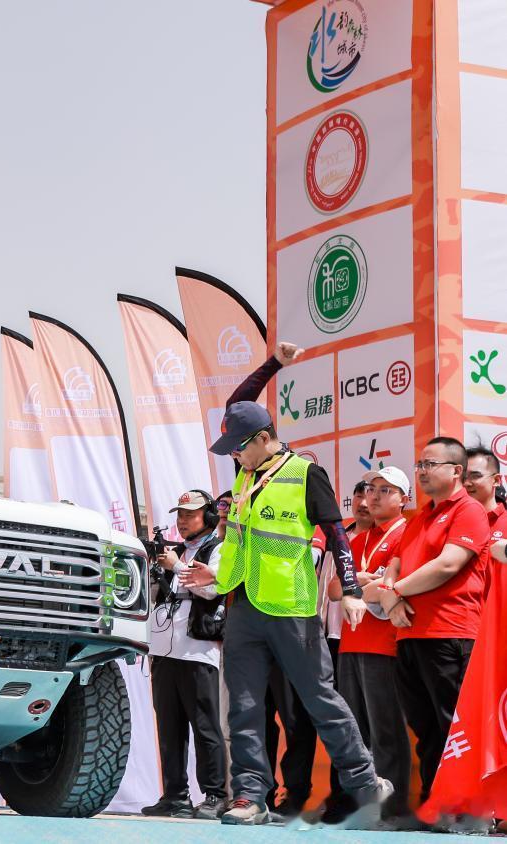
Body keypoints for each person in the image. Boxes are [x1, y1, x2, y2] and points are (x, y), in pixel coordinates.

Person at [188, 341, 390, 826]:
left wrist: (353, 591)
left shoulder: (305, 474)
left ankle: (365, 783)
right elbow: (237, 403)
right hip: (242, 606)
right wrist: (274, 364)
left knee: (320, 700)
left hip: (292, 610)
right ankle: (249, 796)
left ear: (263, 438)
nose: (235, 455)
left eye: (241, 446)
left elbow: (337, 534)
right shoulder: (245, 472)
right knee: (244, 708)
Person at [376, 437, 490, 803]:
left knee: (454, 726)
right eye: (420, 465)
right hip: (410, 636)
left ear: (456, 471)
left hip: (449, 632)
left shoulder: (468, 510)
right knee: (425, 728)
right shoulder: (420, 517)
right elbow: (394, 563)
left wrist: (395, 592)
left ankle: (467, 807)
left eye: (430, 464)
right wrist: (391, 595)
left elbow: (448, 564)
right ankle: (434, 802)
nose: (422, 471)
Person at [141, 490, 229, 820]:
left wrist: (176, 566)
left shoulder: (219, 549)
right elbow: (155, 596)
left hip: (198, 650)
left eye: (190, 514)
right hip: (164, 650)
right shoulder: (173, 552)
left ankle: (215, 794)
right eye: (180, 514)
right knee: (169, 727)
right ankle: (175, 795)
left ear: (209, 517)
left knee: (205, 727)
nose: (182, 520)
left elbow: (213, 588)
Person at [333, 467, 412, 819]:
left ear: (403, 499)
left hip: (385, 644)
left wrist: (358, 587)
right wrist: (363, 585)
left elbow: (390, 588)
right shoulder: (357, 540)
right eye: (370, 489)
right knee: (355, 734)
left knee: (386, 731)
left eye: (385, 490)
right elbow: (334, 590)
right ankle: (364, 806)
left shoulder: (406, 534)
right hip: (350, 643)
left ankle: (391, 811)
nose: (374, 496)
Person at [463, 446, 505, 531]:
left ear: (496, 480)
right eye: (463, 477)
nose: (466, 483)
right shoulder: (448, 520)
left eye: (475, 476)